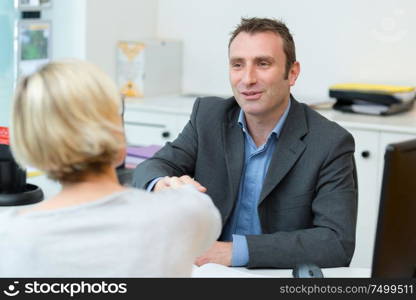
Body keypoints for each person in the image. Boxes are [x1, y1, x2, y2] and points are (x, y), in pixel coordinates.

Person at [133, 17, 358, 269]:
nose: (247, 78)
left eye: (263, 64)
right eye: (237, 65)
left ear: (292, 73)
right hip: (207, 272)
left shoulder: (330, 142)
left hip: (276, 276)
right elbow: (152, 167)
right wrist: (160, 184)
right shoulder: (208, 116)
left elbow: (336, 242)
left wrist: (234, 252)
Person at [0, 60, 221, 277]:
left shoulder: (11, 236)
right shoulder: (188, 212)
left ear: (30, 145)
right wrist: (184, 191)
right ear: (116, 132)